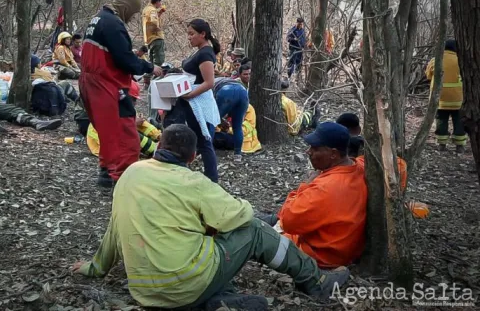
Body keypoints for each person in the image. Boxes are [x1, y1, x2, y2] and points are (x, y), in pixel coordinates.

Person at [72, 124, 350, 310]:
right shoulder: (192, 181)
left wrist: (94, 267)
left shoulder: (130, 174)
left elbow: (114, 229)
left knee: (200, 239)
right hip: (186, 284)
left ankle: (220, 300)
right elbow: (241, 215)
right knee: (253, 230)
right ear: (193, 157)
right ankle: (316, 282)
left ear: (157, 148)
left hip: (144, 293)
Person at [80, 0, 162, 188]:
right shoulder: (113, 24)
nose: (131, 18)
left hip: (89, 82)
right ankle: (123, 178)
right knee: (124, 134)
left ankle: (106, 172)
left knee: (106, 131)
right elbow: (125, 61)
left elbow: (111, 53)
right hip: (107, 84)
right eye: (132, 13)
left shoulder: (97, 20)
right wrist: (150, 67)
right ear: (126, 8)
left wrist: (133, 55)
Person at [271, 122, 368, 268]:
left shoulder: (324, 188)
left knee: (257, 235)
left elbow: (288, 222)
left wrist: (305, 184)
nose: (308, 152)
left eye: (315, 149)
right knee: (267, 218)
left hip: (318, 256)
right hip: (342, 247)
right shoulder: (361, 166)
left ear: (333, 154)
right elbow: (401, 164)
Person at [163, 19, 221, 183]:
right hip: (188, 99)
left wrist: (190, 94)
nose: (189, 38)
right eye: (188, 34)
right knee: (192, 139)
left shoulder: (205, 53)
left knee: (204, 141)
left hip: (196, 102)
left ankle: (212, 179)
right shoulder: (200, 51)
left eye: (192, 34)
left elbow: (209, 82)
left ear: (203, 34)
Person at [87, 81, 161, 159]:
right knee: (132, 134)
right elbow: (114, 129)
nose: (135, 103)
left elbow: (144, 125)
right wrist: (133, 124)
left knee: (136, 127)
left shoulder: (124, 108)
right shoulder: (108, 109)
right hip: (101, 146)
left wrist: (158, 136)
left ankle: (158, 147)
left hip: (112, 142)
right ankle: (155, 152)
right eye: (133, 99)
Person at [425, 39, 466, 153]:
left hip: (439, 98)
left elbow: (428, 76)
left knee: (441, 120)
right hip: (458, 99)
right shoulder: (461, 60)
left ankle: (442, 145)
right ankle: (460, 146)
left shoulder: (435, 60)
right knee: (459, 121)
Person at [213, 77, 249, 162]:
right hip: (243, 92)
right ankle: (237, 155)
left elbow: (212, 114)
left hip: (225, 91)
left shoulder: (209, 84)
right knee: (237, 126)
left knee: (211, 123)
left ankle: (207, 152)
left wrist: (219, 120)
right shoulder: (224, 80)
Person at [142, 0, 166, 66]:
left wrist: (160, 13)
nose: (160, 4)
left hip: (149, 39)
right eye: (160, 2)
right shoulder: (152, 10)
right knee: (159, 62)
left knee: (151, 62)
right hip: (156, 38)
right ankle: (158, 77)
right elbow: (153, 21)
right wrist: (159, 30)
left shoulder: (146, 9)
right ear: (157, 1)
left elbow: (149, 20)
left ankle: (149, 76)